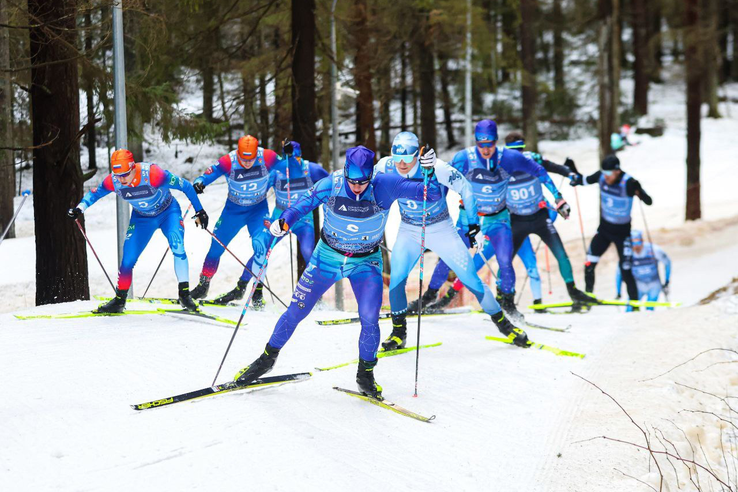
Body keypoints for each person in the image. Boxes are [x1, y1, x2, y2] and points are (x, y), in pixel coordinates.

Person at [232, 145, 443, 400]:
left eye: (363, 182)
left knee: (369, 318)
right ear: (345, 173)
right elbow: (302, 204)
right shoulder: (331, 183)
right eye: (352, 181)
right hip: (327, 257)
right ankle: (266, 359)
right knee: (296, 310)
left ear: (371, 176)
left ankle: (365, 374)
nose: (357, 187)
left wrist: (429, 170)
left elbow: (430, 194)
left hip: (365, 263)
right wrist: (284, 220)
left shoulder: (385, 184)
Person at [377, 131, 529, 352]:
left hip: (441, 229)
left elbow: (466, 189)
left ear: (417, 155)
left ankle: (505, 325)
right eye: (396, 157)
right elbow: (366, 185)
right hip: (409, 229)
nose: (401, 163)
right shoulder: (385, 166)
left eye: (407, 158)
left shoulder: (435, 167)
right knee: (397, 282)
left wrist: (474, 225)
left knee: (472, 281)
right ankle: (399, 333)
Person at [419, 119, 569, 321]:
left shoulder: (510, 158)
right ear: (476, 142)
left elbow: (540, 171)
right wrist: (433, 209)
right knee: (451, 257)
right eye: (482, 144)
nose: (486, 149)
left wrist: (557, 198)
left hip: (497, 220)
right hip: (468, 219)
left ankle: (508, 302)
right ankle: (428, 298)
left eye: (490, 144)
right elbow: (443, 181)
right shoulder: (464, 158)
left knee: (505, 261)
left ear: (496, 141)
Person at [68, 149, 208, 313]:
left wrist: (200, 211)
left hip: (168, 212)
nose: (121, 179)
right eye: (118, 175)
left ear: (133, 167)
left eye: (125, 174)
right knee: (127, 258)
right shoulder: (114, 180)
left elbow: (185, 186)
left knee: (178, 247)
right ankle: (119, 301)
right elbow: (95, 194)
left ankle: (185, 295)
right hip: (142, 219)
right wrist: (80, 208)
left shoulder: (154, 174)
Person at [189, 135, 278, 306]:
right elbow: (207, 175)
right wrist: (200, 182)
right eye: (243, 158)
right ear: (237, 153)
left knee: (261, 246)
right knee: (215, 247)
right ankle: (203, 285)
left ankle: (257, 293)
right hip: (233, 211)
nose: (246, 162)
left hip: (258, 210)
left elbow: (289, 168)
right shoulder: (228, 160)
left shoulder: (266, 156)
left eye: (250, 159)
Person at [570, 154, 653, 304]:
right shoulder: (601, 176)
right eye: (604, 173)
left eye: (609, 173)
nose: (606, 176)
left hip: (622, 234)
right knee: (589, 263)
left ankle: (634, 305)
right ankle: (588, 297)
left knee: (626, 270)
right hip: (604, 231)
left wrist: (639, 190)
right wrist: (572, 171)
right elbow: (582, 180)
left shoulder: (629, 183)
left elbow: (649, 202)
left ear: (617, 171)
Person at [268, 140, 330, 274]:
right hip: (280, 217)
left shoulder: (311, 169)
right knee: (263, 249)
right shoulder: (276, 172)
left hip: (303, 218)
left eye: (297, 158)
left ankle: (313, 285)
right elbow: (260, 193)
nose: (294, 163)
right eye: (290, 159)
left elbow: (332, 185)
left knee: (308, 251)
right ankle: (251, 286)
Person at [616, 230, 671, 311]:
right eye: (633, 243)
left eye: (638, 243)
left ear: (642, 240)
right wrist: (618, 292)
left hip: (654, 284)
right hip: (638, 285)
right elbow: (619, 273)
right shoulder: (627, 254)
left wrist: (666, 282)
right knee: (629, 309)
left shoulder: (654, 250)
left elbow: (667, 263)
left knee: (649, 309)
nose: (636, 247)